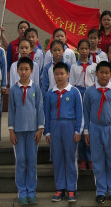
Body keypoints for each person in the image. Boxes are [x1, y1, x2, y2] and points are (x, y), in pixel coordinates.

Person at [83, 61, 111, 204]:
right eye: (101, 72)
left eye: (107, 72)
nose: (104, 75)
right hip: (95, 128)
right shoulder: (90, 91)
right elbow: (86, 112)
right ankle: (100, 190)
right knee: (98, 160)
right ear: (96, 74)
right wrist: (86, 131)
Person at [44, 62, 83, 203]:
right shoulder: (50, 93)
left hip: (69, 125)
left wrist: (78, 130)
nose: (59, 77)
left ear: (68, 74)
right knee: (57, 158)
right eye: (56, 74)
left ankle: (71, 189)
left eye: (62, 73)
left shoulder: (74, 91)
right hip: (54, 126)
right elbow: (46, 114)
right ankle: (60, 188)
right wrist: (47, 132)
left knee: (71, 158)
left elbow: (80, 112)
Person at [8, 56, 44, 206]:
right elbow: (11, 110)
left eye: (26, 69)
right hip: (18, 130)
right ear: (17, 71)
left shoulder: (35, 88)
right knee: (21, 161)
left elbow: (40, 108)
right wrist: (11, 130)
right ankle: (22, 191)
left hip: (32, 131)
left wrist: (40, 128)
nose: (23, 72)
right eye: (21, 69)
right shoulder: (14, 89)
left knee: (32, 161)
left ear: (31, 71)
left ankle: (31, 190)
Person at [69, 39, 94, 171]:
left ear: (89, 50)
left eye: (86, 48)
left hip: (90, 95)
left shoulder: (95, 66)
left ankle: (90, 157)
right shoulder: (74, 67)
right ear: (78, 50)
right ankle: (82, 158)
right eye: (82, 49)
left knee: (89, 128)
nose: (84, 51)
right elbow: (72, 84)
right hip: (78, 93)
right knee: (80, 126)